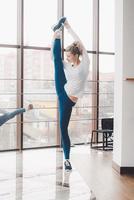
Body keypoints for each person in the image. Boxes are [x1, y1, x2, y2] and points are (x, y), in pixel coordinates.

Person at [51, 17, 90, 171]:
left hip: (68, 101)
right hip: (62, 90)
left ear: (75, 54)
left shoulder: (85, 62)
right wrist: (54, 40)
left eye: (68, 55)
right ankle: (56, 34)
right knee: (56, 62)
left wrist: (68, 26)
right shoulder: (68, 65)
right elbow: (54, 58)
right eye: (66, 56)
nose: (67, 58)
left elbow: (79, 42)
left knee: (63, 128)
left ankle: (67, 159)